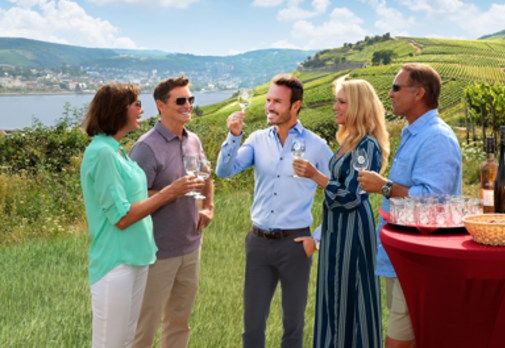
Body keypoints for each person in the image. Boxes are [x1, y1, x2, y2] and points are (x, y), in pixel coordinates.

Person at [215, 74, 332, 348]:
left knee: (293, 327)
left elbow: (339, 195)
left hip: (296, 244)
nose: (269, 106)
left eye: (277, 102)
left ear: (295, 106)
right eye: (268, 100)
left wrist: (316, 240)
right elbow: (224, 171)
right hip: (258, 243)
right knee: (252, 326)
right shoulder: (256, 140)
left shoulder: (317, 146)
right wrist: (233, 136)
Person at [80, 83, 199, 348]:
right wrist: (170, 192)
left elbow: (137, 199)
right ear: (118, 110)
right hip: (116, 262)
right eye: (136, 104)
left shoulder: (117, 151)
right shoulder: (102, 153)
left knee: (126, 342)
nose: (141, 110)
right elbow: (121, 217)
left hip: (138, 258)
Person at [358, 63, 462, 348]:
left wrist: (383, 186)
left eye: (396, 87)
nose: (389, 94)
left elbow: (433, 201)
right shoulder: (413, 133)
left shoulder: (436, 138)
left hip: (419, 261)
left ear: (419, 93)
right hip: (402, 258)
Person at [293, 78, 390, 348]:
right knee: (332, 293)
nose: (334, 106)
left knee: (348, 296)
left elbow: (350, 196)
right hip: (337, 230)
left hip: (352, 232)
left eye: (341, 102)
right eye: (336, 100)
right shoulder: (348, 140)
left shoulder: (366, 146)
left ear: (358, 106)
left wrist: (316, 176)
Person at [131, 76, 215, 348]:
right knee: (145, 325)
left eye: (191, 99)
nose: (188, 105)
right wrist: (172, 191)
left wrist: (209, 207)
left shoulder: (194, 140)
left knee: (180, 321)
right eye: (181, 100)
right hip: (157, 251)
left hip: (191, 246)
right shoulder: (145, 147)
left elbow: (207, 176)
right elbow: (132, 201)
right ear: (160, 105)